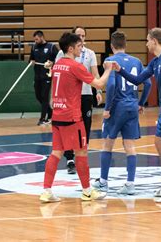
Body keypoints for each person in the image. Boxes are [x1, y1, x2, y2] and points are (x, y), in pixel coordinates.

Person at [40, 32, 117, 203]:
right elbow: (99, 84)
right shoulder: (76, 66)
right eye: (80, 46)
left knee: (56, 153)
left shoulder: (58, 64)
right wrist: (109, 69)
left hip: (58, 115)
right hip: (72, 117)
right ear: (70, 48)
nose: (82, 49)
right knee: (81, 152)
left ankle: (46, 191)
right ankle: (88, 191)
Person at [114, 27, 161, 203]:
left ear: (154, 41)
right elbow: (138, 80)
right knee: (159, 143)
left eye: (147, 40)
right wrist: (120, 70)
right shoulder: (156, 62)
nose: (146, 43)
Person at [92, 31, 152, 195]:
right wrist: (140, 103)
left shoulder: (109, 60)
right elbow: (148, 84)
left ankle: (103, 182)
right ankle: (130, 184)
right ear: (125, 45)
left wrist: (107, 109)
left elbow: (110, 86)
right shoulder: (137, 61)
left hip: (117, 107)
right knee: (130, 146)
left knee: (108, 143)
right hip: (132, 106)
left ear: (111, 46)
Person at [55, 26, 103, 174]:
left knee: (85, 126)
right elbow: (57, 73)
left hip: (86, 94)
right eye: (78, 36)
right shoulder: (62, 55)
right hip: (68, 98)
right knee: (69, 128)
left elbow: (94, 73)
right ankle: (70, 159)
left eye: (83, 36)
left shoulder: (89, 54)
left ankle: (82, 155)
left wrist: (98, 91)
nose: (81, 38)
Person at [29, 30, 58, 126]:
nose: (35, 41)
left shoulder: (51, 47)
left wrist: (52, 63)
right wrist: (31, 61)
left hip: (47, 76)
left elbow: (59, 59)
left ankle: (43, 119)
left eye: (37, 39)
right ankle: (50, 113)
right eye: (34, 40)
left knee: (45, 97)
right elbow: (31, 59)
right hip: (37, 76)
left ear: (42, 37)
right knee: (38, 96)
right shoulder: (34, 47)